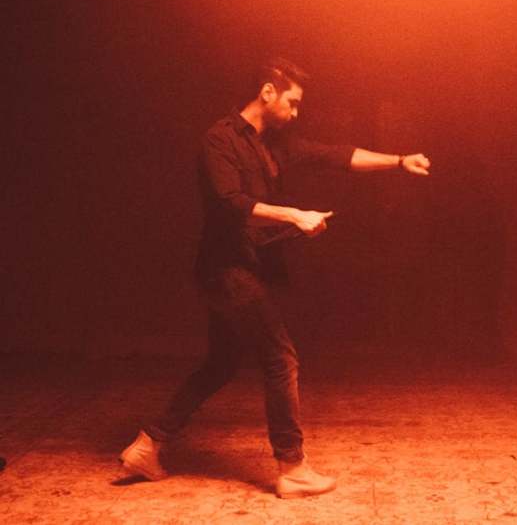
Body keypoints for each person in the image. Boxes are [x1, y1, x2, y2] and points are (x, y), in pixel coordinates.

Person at [119, 58, 430, 498]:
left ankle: (148, 445)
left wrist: (398, 161)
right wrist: (295, 215)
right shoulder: (219, 139)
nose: (296, 112)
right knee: (281, 359)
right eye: (293, 102)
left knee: (222, 362)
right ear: (268, 92)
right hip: (227, 271)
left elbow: (335, 156)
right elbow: (230, 205)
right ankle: (292, 468)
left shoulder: (274, 144)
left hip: (243, 270)